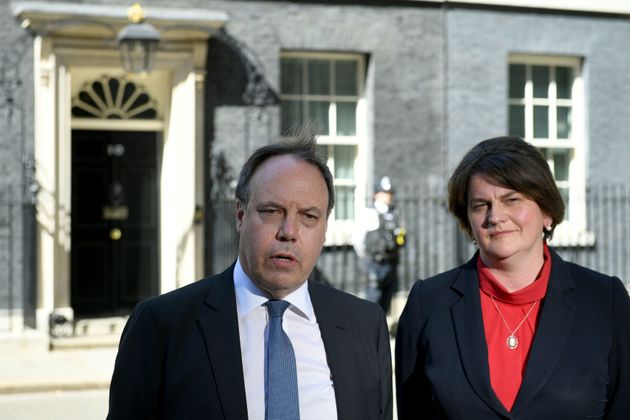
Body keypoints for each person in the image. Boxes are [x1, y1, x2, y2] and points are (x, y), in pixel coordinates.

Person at [107, 131, 392, 420]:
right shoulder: (161, 326)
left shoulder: (366, 325)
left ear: (325, 226)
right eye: (271, 211)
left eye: (308, 216)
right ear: (240, 215)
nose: (289, 232)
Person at [396, 136, 630, 419]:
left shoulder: (606, 300)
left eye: (512, 200)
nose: (495, 216)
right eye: (481, 204)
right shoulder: (428, 304)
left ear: (546, 211)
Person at [352, 176, 406, 315]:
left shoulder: (394, 213)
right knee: (373, 300)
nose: (388, 196)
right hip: (374, 263)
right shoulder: (368, 213)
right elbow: (358, 239)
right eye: (384, 193)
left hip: (391, 263)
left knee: (387, 301)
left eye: (390, 193)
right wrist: (367, 259)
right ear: (376, 194)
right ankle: (369, 334)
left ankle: (382, 332)